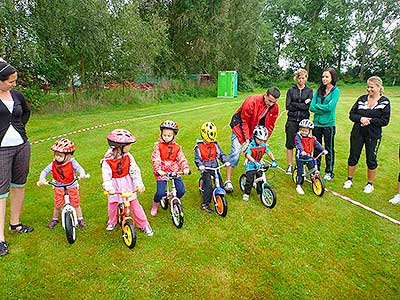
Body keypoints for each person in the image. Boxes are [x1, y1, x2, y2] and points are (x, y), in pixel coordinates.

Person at [0, 60, 33, 257]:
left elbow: (26, 111)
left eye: (15, 81)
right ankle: (0, 239)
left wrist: (20, 128)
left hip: (22, 146)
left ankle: (15, 224)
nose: (14, 84)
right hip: (1, 151)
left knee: (19, 185)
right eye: (10, 81)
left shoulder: (17, 95)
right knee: (1, 193)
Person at [225, 87, 280, 192]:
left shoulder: (274, 107)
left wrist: (263, 141)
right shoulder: (251, 101)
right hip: (240, 127)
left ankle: (255, 178)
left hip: (255, 130)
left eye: (274, 102)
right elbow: (243, 121)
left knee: (257, 152)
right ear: (265, 95)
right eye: (269, 101)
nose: (271, 104)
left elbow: (270, 126)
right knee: (236, 153)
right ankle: (228, 181)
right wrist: (246, 140)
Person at [343, 76, 391, 193]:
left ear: (379, 87)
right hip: (357, 133)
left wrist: (370, 120)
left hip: (373, 135)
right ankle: (349, 179)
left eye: (372, 87)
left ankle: (370, 184)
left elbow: (385, 121)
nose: (369, 89)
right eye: (368, 87)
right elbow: (352, 114)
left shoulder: (385, 102)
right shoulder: (361, 99)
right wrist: (361, 119)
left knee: (371, 159)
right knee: (353, 155)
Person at [101, 129, 153, 236]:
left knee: (135, 205)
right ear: (119, 147)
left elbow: (134, 171)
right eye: (128, 145)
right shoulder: (107, 160)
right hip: (114, 185)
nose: (130, 147)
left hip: (127, 184)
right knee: (112, 205)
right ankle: (112, 221)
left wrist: (139, 184)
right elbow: (106, 176)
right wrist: (108, 187)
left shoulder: (129, 156)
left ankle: (143, 224)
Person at [37, 138, 87, 228]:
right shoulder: (53, 163)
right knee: (58, 204)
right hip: (58, 186)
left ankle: (80, 218)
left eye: (60, 155)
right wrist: (42, 179)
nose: (57, 157)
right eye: (56, 155)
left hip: (71, 185)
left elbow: (79, 168)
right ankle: (54, 219)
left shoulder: (72, 162)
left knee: (75, 203)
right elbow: (45, 171)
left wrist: (82, 173)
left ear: (68, 155)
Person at [150, 120, 190, 216]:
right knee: (160, 193)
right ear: (161, 134)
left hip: (174, 170)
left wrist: (185, 168)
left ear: (173, 136)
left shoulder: (177, 147)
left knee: (181, 190)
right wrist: (158, 169)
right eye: (164, 135)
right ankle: (155, 204)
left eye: (169, 135)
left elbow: (181, 158)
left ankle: (173, 197)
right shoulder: (158, 145)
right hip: (162, 171)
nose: (166, 137)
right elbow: (156, 158)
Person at [309, 67, 340, 181]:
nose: (324, 79)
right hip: (317, 123)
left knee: (328, 148)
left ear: (332, 78)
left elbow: (331, 107)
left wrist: (318, 107)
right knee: (316, 147)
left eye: (327, 76)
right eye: (323, 76)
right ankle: (315, 170)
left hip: (329, 124)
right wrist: (322, 108)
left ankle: (329, 171)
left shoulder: (336, 91)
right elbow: (311, 107)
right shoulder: (318, 91)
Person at [194, 122, 230, 213]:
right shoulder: (199, 147)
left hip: (215, 167)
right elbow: (197, 159)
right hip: (205, 169)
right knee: (209, 185)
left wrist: (225, 161)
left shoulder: (214, 144)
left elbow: (221, 154)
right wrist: (200, 165)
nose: (210, 141)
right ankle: (205, 204)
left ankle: (218, 195)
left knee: (221, 185)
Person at [284, 68, 313, 174]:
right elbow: (288, 106)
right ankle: (289, 166)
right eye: (299, 78)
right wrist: (301, 105)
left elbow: (307, 107)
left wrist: (295, 104)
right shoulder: (291, 90)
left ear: (306, 78)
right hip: (292, 120)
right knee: (290, 143)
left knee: (302, 144)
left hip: (304, 121)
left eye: (303, 78)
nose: (301, 80)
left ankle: (299, 164)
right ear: (296, 78)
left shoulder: (309, 91)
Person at [242, 125, 277, 201]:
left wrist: (273, 160)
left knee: (260, 179)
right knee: (249, 180)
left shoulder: (263, 145)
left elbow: (269, 152)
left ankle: (260, 192)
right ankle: (246, 193)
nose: (261, 141)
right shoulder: (251, 145)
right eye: (259, 139)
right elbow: (248, 155)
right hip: (251, 165)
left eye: (262, 140)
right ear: (254, 137)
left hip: (259, 164)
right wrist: (254, 162)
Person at [294, 119, 328, 195]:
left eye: (306, 131)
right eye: (302, 130)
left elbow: (317, 144)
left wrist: (323, 150)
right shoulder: (298, 136)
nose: (304, 132)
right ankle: (298, 185)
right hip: (301, 157)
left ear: (309, 131)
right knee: (300, 172)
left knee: (312, 169)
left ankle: (314, 180)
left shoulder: (312, 137)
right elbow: (298, 144)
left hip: (309, 156)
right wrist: (302, 151)